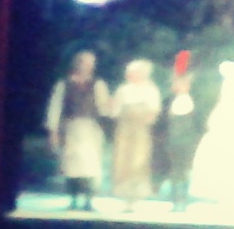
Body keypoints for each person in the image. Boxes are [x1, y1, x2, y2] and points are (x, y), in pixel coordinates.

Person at [45, 49, 109, 211]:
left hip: (90, 128)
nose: (88, 66)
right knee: (72, 166)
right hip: (71, 128)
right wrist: (53, 131)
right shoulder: (64, 84)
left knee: (90, 166)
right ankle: (73, 199)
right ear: (77, 63)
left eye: (91, 63)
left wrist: (110, 107)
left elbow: (104, 108)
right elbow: (55, 107)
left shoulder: (98, 84)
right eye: (84, 63)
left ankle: (88, 200)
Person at [110, 58, 162, 208]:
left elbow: (154, 112)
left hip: (140, 132)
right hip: (124, 132)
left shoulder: (151, 89)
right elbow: (115, 112)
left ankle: (136, 197)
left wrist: (142, 116)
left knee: (138, 163)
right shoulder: (123, 90)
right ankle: (125, 197)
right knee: (123, 163)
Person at [162, 54, 202, 210]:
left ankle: (183, 199)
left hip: (186, 141)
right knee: (174, 170)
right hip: (173, 140)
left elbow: (196, 123)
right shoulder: (170, 101)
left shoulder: (192, 101)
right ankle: (175, 199)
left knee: (184, 170)